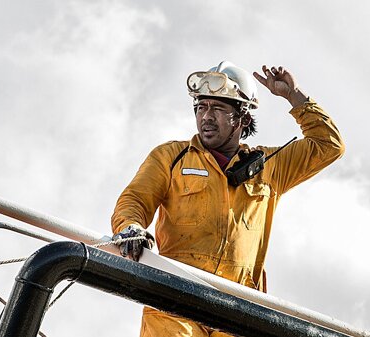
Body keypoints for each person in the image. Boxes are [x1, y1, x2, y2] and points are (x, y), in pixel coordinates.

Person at [110, 61, 344, 337]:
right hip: (173, 300)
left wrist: (294, 96)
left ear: (243, 119)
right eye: (201, 107)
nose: (206, 116)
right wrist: (130, 226)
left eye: (218, 108)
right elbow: (134, 200)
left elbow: (328, 146)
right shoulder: (169, 157)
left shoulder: (271, 167)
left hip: (239, 310)